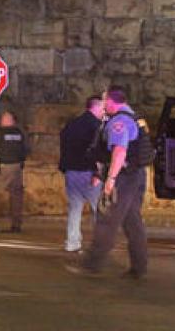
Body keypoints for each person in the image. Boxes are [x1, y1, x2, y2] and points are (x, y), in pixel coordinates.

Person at [67, 86, 149, 279]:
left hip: (123, 177)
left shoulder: (119, 121)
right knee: (133, 222)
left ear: (112, 101)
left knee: (107, 219)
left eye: (105, 101)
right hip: (136, 175)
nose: (103, 105)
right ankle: (139, 267)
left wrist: (110, 179)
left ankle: (92, 265)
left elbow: (119, 151)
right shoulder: (136, 118)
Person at [59, 96, 105, 252]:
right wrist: (99, 174)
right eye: (103, 108)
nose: (104, 112)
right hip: (89, 172)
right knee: (98, 210)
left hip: (71, 172)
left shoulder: (71, 125)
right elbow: (99, 151)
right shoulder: (97, 126)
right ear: (97, 107)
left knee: (74, 209)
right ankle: (100, 244)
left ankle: (72, 242)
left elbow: (64, 147)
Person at [0, 111, 29, 232]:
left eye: (4, 119)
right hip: (18, 167)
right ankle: (16, 225)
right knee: (16, 196)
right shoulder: (20, 133)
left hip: (4, 166)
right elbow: (26, 148)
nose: (2, 121)